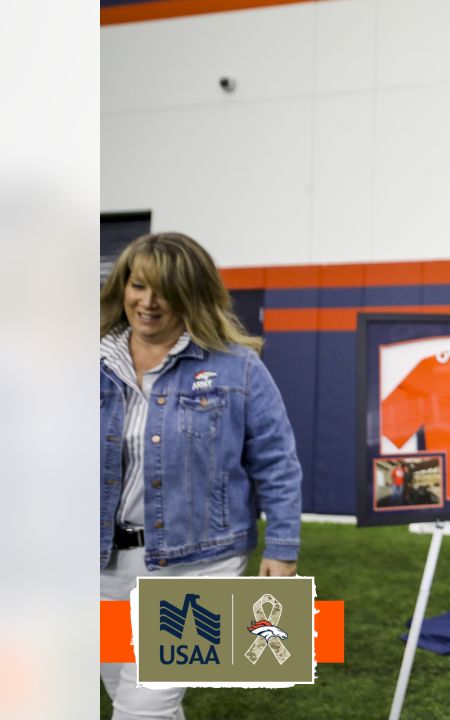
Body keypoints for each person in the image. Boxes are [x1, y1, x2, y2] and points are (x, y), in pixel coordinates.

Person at [99, 232, 303, 719]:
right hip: (103, 562)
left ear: (192, 295)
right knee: (131, 696)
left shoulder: (238, 368)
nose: (148, 302)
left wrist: (283, 546)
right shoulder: (93, 363)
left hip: (200, 562)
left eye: (164, 290)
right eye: (138, 285)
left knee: (139, 710)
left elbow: (277, 461)